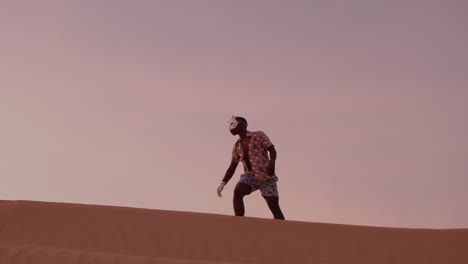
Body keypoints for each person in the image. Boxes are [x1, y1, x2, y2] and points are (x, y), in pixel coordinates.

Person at [217, 116, 285, 220]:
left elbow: (272, 149)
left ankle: (284, 231)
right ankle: (239, 223)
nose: (230, 127)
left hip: (266, 176)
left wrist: (272, 163)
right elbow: (232, 166)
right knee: (238, 191)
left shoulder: (258, 135)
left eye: (233, 123)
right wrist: (223, 182)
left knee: (274, 208)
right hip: (250, 176)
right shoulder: (237, 146)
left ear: (242, 124)